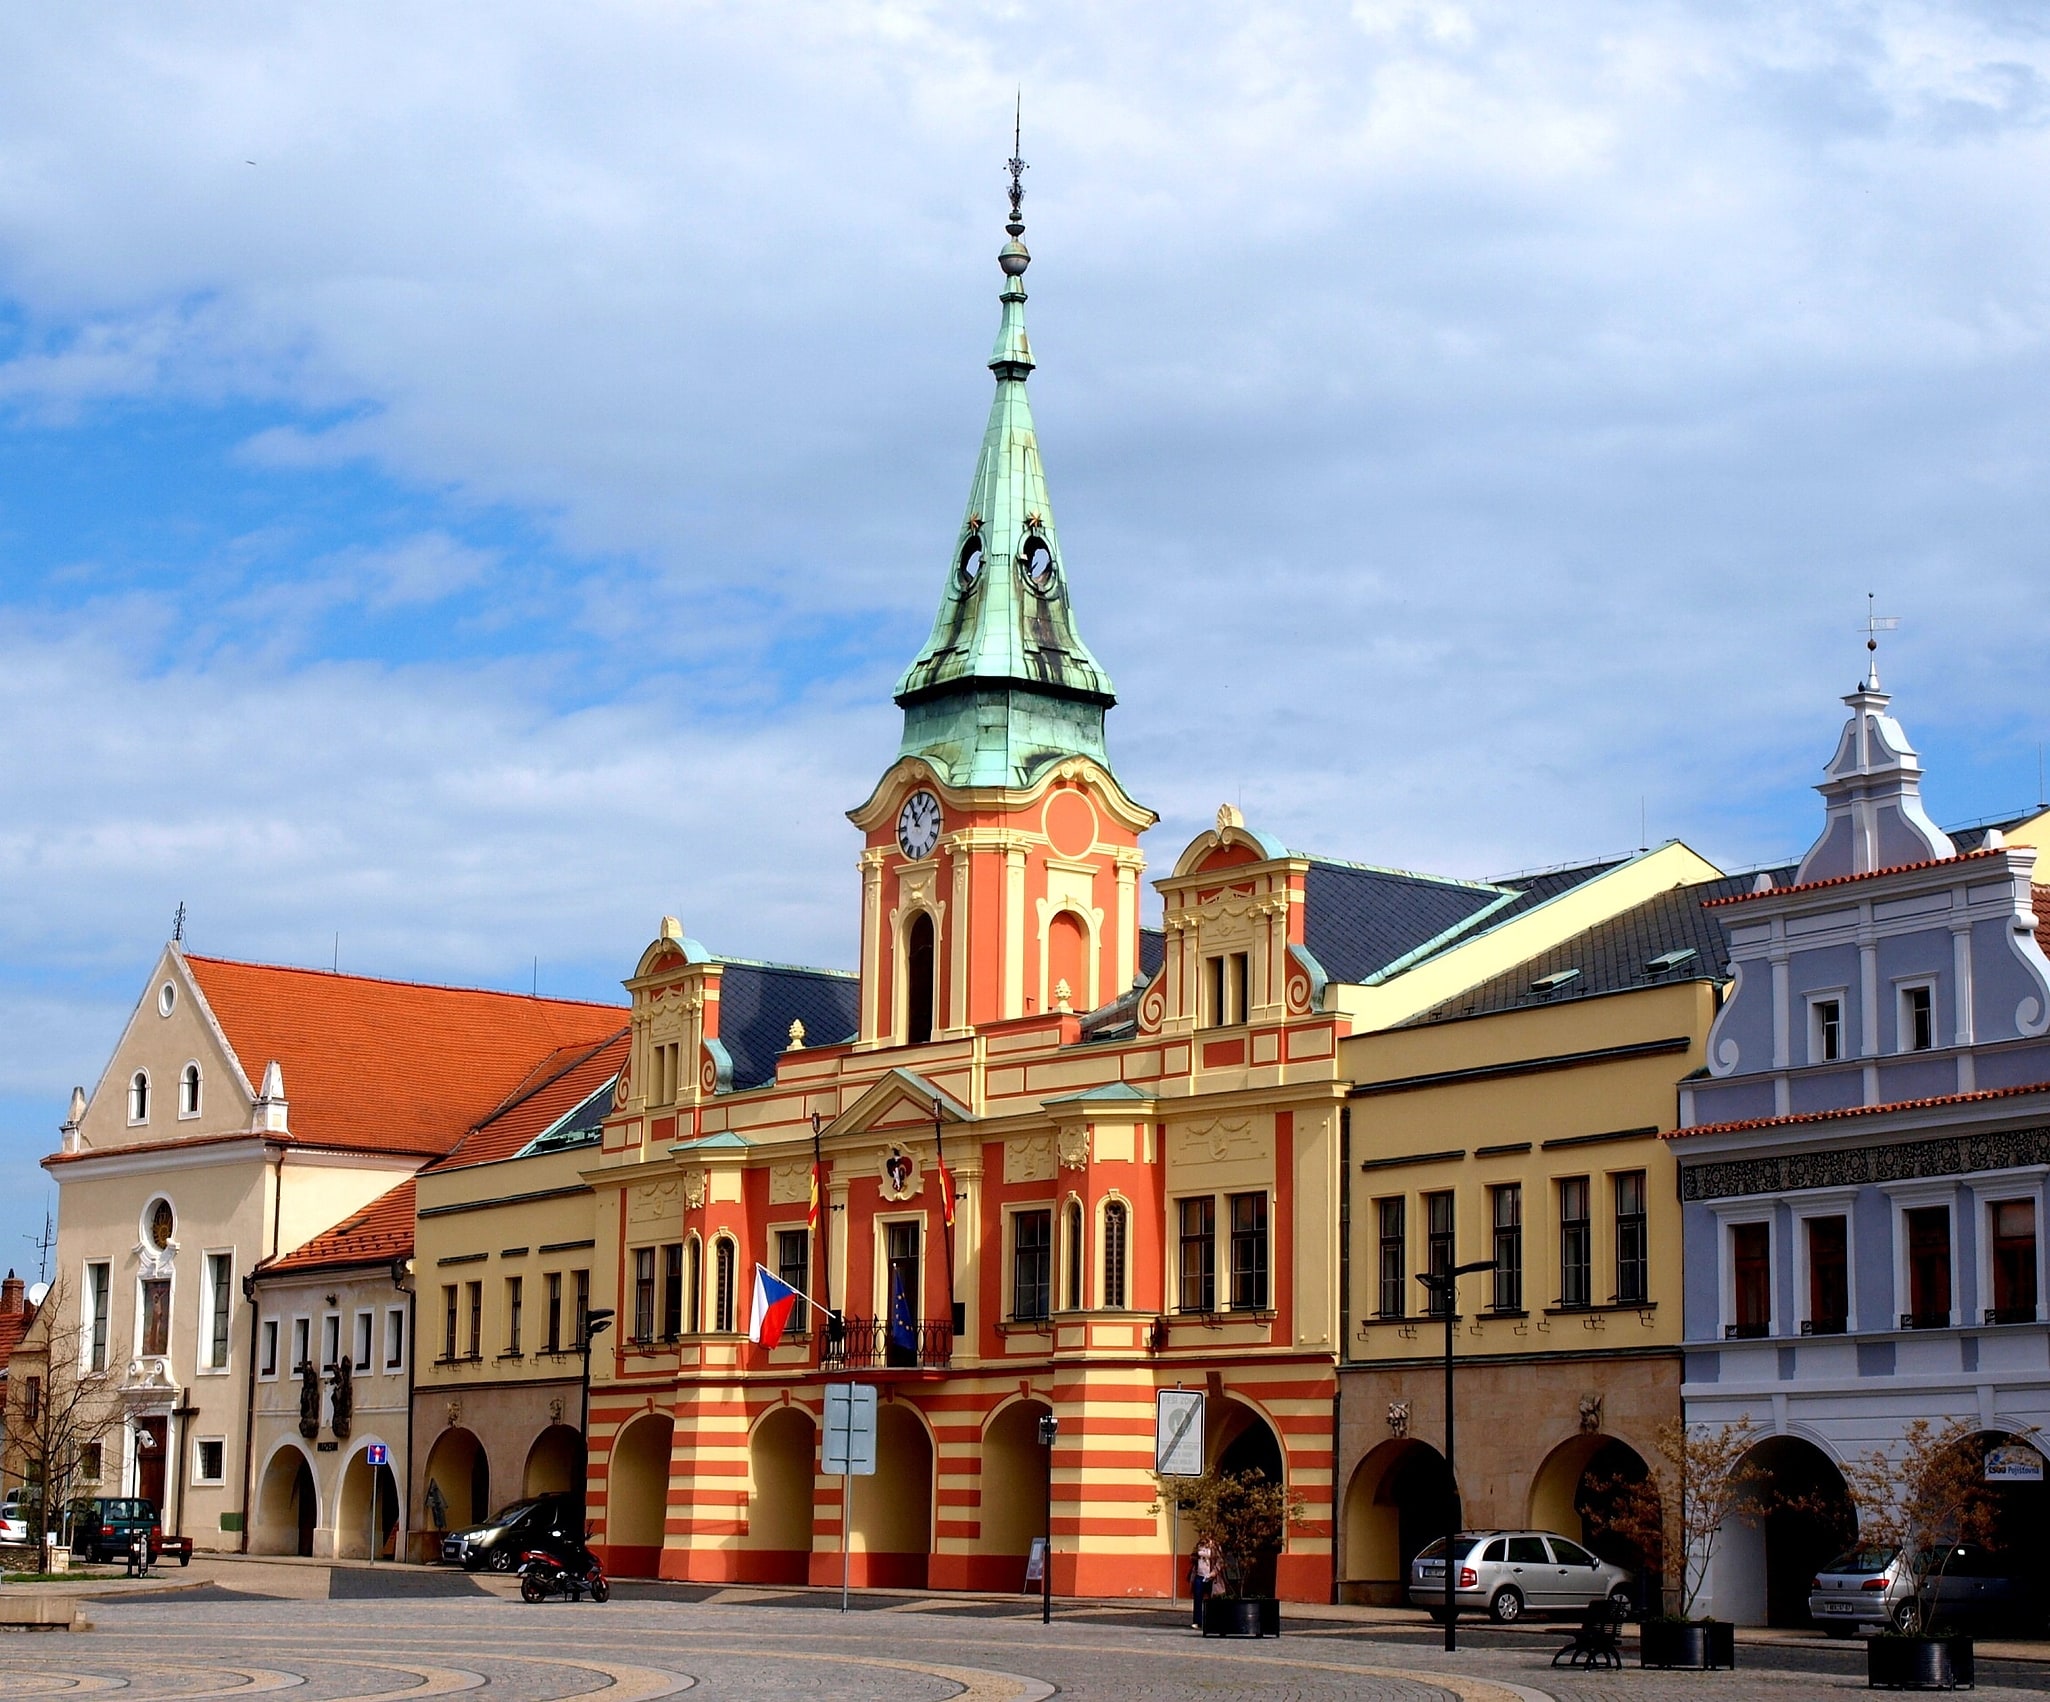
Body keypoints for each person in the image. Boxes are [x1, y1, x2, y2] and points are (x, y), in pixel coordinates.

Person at [1190, 1538, 1218, 1629]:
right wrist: (1196, 1556)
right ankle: (1197, 1621)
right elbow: (1192, 1557)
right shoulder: (1198, 1546)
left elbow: (1219, 1561)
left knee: (1210, 1598)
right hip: (1199, 1575)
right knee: (1197, 1598)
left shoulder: (1215, 1547)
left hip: (1210, 1576)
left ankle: (1210, 1620)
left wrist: (1214, 1572)